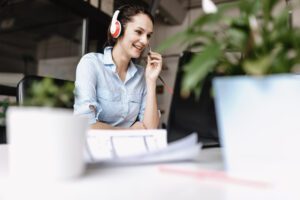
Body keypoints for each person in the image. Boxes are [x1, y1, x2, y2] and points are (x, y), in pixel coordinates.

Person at [74, 4, 162, 130]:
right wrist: (129, 132)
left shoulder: (142, 75)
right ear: (117, 29)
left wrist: (151, 81)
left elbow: (150, 129)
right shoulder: (91, 64)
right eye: (139, 32)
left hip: (129, 148)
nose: (145, 41)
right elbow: (84, 124)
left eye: (148, 35)